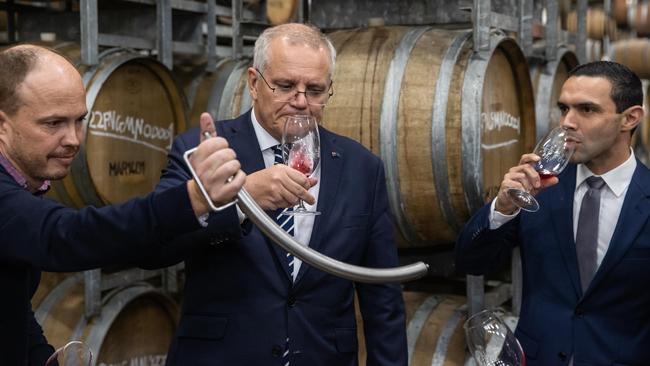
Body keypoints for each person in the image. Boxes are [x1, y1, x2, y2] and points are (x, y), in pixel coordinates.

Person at [147, 23, 408, 365]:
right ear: (254, 83)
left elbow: (382, 298)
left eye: (314, 90)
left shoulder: (362, 167)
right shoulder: (203, 149)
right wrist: (242, 200)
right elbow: (154, 247)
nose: (300, 102)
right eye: (285, 86)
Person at [0, 45, 245, 365]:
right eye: (53, 123)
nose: (74, 139)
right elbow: (64, 235)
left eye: (79, 121)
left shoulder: (23, 185)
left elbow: (11, 307)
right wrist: (193, 199)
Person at [456, 60, 650, 365]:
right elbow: (471, 261)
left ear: (630, 118)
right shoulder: (539, 188)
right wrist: (502, 209)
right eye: (564, 109)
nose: (568, 122)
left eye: (587, 110)